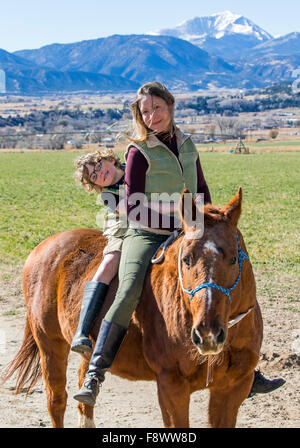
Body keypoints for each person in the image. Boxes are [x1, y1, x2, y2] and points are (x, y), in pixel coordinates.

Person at [73, 82, 285, 406]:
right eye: (145, 111)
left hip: (191, 228)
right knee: (129, 289)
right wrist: (176, 221)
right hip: (145, 232)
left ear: (170, 106)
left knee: (221, 279)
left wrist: (211, 225)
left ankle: (244, 370)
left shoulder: (187, 144)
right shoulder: (138, 151)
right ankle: (96, 370)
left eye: (157, 108)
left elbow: (201, 188)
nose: (151, 115)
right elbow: (131, 205)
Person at [71, 149, 126, 354]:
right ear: (95, 185)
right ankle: (83, 330)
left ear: (110, 159)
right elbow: (131, 212)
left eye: (99, 167)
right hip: (123, 222)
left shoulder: (133, 167)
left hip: (154, 213)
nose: (100, 174)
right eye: (94, 176)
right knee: (111, 261)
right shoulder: (108, 195)